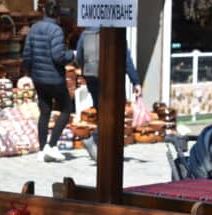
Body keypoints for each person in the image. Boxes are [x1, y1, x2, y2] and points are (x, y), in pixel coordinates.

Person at [74, 28, 142, 160]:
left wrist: (85, 72)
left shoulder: (85, 34)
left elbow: (79, 57)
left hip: (92, 77)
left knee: (101, 111)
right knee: (113, 114)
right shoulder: (115, 33)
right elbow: (126, 60)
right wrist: (136, 82)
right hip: (112, 78)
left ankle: (101, 146)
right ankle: (97, 142)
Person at [22, 0, 74, 163]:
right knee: (67, 108)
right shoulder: (56, 31)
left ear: (44, 12)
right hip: (54, 78)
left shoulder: (34, 28)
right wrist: (71, 55)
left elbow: (27, 54)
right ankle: (51, 145)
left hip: (38, 78)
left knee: (44, 111)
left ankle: (42, 148)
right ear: (57, 14)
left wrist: (29, 72)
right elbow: (58, 56)